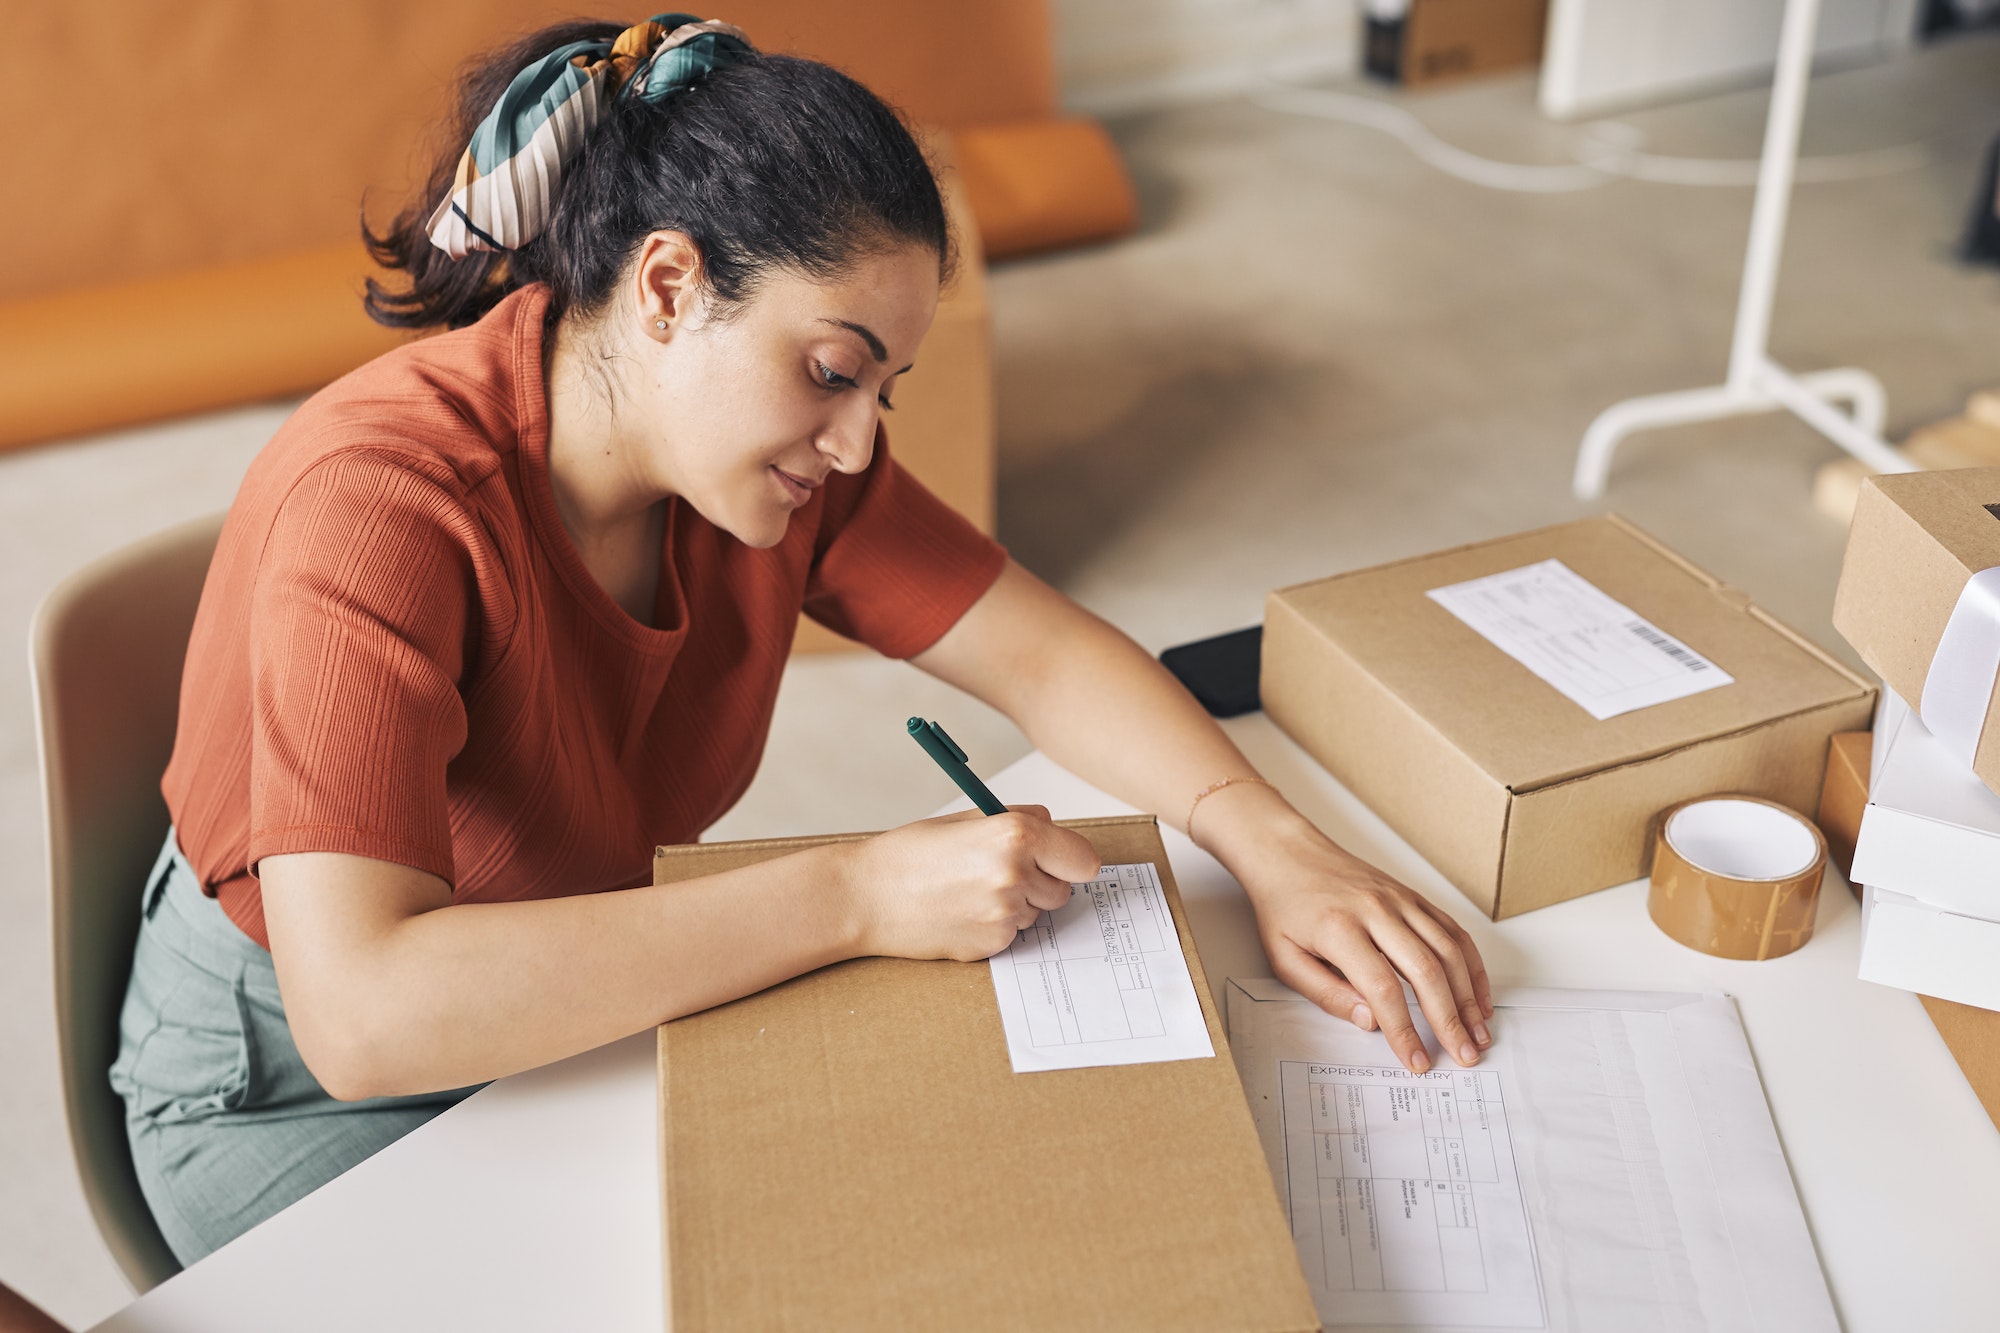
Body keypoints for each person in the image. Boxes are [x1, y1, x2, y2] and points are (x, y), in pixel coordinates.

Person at [109, 13, 1492, 1266]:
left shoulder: (767, 468)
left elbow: (1048, 658)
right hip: (282, 1072)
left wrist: (1278, 847)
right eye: (832, 370)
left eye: (884, 388)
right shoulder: (380, 507)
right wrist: (857, 895)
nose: (855, 439)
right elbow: (365, 1008)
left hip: (558, 982)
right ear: (665, 288)